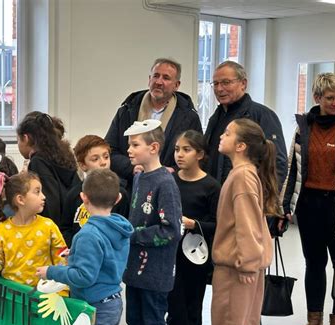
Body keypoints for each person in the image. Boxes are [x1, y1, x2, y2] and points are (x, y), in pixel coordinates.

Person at [281, 73, 335, 325]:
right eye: (330, 98)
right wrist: (284, 207)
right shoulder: (304, 127)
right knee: (313, 264)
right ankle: (314, 323)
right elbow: (292, 170)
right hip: (309, 204)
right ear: (317, 99)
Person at [37, 169, 133, 325]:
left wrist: (51, 271)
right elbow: (107, 258)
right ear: (118, 198)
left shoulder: (88, 234)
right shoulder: (119, 228)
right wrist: (76, 254)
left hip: (94, 306)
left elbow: (83, 277)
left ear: (83, 197)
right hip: (112, 301)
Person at [211, 118, 277, 325]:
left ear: (241, 146)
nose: (221, 136)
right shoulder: (243, 174)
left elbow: (247, 224)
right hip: (243, 267)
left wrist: (248, 263)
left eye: (227, 133)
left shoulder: (242, 177)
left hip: (236, 270)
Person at [122, 119, 183, 325]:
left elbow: (171, 230)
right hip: (134, 271)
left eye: (135, 145)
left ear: (153, 148)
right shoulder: (139, 178)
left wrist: (133, 234)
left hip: (156, 273)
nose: (129, 150)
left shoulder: (165, 183)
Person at [105, 57, 202, 189]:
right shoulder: (127, 110)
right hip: (131, 185)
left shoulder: (189, 117)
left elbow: (197, 156)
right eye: (156, 76)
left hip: (169, 186)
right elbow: (109, 149)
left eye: (166, 78)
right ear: (149, 79)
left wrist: (173, 171)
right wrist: (131, 167)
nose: (159, 82)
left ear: (177, 85)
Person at [167, 130, 220, 325]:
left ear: (200, 154)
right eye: (177, 149)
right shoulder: (169, 180)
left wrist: (193, 224)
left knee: (192, 307)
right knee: (175, 306)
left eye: (186, 150)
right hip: (170, 253)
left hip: (196, 256)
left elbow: (217, 224)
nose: (179, 155)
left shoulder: (211, 186)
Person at [203, 60, 287, 185]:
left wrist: (261, 198)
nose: (219, 89)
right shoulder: (215, 118)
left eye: (226, 82)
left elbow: (277, 164)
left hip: (246, 196)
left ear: (243, 83)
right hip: (215, 196)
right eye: (215, 84)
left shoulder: (262, 115)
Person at [0, 172, 68, 288]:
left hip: (43, 295)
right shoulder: (0, 230)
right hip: (13, 297)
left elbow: (62, 258)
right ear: (20, 199)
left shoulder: (49, 226)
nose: (43, 196)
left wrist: (62, 289)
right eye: (37, 191)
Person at [60, 135, 130, 246]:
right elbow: (65, 228)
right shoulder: (73, 195)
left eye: (106, 157)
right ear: (83, 165)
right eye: (95, 159)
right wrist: (77, 245)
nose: (103, 162)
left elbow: (124, 228)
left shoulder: (120, 193)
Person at [17, 111, 79, 225]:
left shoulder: (38, 162)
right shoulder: (65, 155)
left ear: (25, 138)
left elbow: (50, 202)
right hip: (72, 223)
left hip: (54, 229)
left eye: (18, 140)